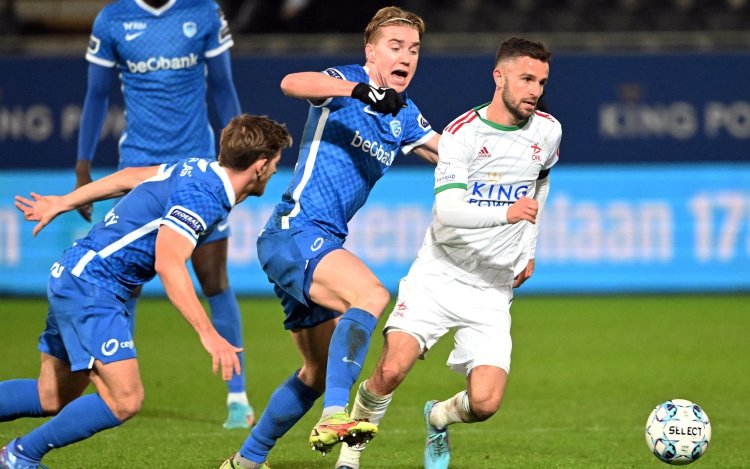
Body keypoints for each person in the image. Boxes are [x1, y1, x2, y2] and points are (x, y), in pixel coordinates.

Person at [0, 115, 292, 469]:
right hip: (94, 286)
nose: (277, 170)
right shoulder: (205, 196)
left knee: (51, 395)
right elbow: (168, 263)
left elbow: (128, 178)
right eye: (276, 163)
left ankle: (19, 455)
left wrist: (63, 201)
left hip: (77, 276)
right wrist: (208, 334)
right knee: (125, 399)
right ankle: (20, 455)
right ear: (260, 166)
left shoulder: (198, 168)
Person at [220, 6, 440, 469]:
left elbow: (451, 155)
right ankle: (337, 415)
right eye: (395, 46)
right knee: (371, 294)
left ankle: (245, 460)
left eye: (414, 50)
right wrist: (361, 89)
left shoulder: (404, 114)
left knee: (316, 372)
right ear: (371, 51)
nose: (407, 56)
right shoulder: (346, 81)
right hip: (295, 231)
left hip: (314, 243)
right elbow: (291, 83)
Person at [334, 36, 561, 469]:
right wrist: (507, 213)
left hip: (492, 286)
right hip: (439, 275)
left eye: (542, 82)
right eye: (526, 78)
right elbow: (449, 209)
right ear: (499, 77)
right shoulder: (461, 135)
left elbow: (540, 182)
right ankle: (350, 456)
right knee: (391, 369)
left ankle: (437, 415)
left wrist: (528, 247)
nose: (534, 90)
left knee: (486, 402)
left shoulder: (549, 131)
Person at [74, 0, 254, 429]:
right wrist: (83, 165)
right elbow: (96, 94)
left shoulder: (204, 12)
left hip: (199, 170)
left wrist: (242, 159)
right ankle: (118, 387)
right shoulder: (113, 18)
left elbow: (224, 88)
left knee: (214, 279)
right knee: (123, 281)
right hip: (140, 169)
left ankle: (237, 398)